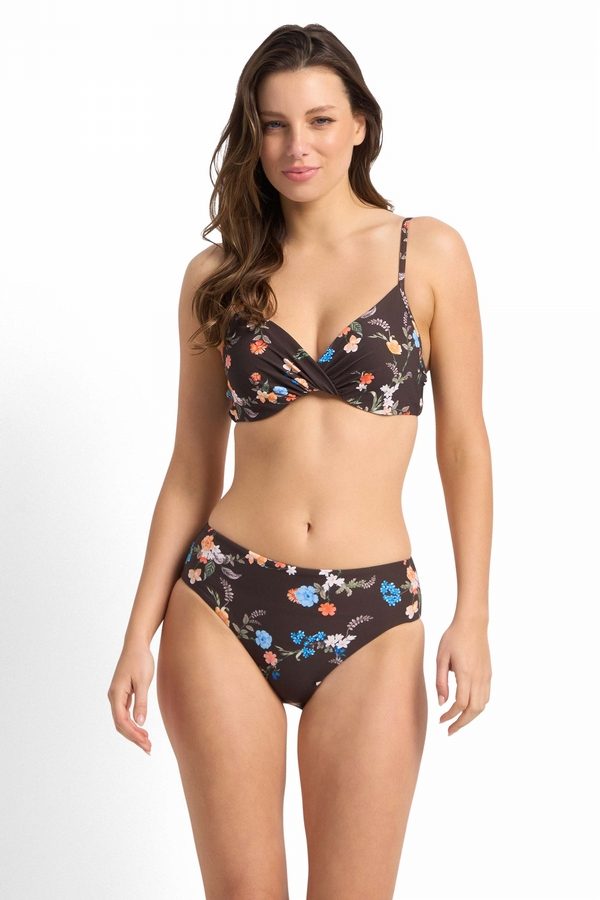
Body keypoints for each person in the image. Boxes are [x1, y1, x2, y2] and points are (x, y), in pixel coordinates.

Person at [107, 22, 493, 899]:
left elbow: (464, 444)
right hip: (223, 599)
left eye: (319, 120)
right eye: (274, 125)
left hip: (373, 612)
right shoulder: (218, 275)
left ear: (359, 124)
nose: (296, 147)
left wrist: (472, 614)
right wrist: (137, 634)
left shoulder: (428, 252)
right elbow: (190, 469)